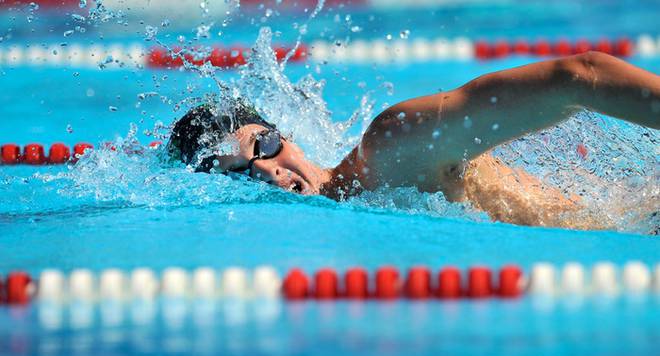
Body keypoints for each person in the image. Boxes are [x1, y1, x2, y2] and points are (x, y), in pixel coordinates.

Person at [167, 51, 660, 229]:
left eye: (265, 146)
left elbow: (580, 76)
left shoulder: (392, 147)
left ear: (286, 134)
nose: (268, 172)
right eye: (242, 174)